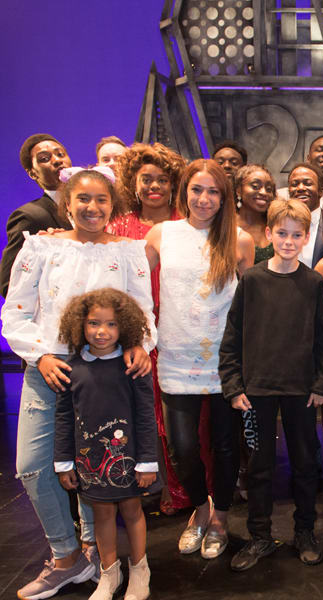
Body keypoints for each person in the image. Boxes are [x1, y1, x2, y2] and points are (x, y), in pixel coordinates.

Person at [1, 166, 155, 600]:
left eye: (101, 199)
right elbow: (14, 311)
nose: (92, 207)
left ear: (112, 204)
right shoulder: (41, 246)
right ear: (66, 202)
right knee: (33, 466)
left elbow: (142, 311)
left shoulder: (129, 251)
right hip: (48, 367)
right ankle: (65, 556)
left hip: (107, 373)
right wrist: (42, 355)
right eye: (82, 198)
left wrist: (140, 344)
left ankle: (96, 555)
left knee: (95, 465)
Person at [144, 159, 254, 561]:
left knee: (225, 446)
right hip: (175, 357)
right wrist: (64, 238)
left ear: (224, 198)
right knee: (182, 448)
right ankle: (200, 507)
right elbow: (126, 274)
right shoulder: (162, 234)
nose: (204, 199)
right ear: (184, 192)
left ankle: (220, 517)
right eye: (197, 190)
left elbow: (249, 303)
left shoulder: (239, 239)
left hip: (225, 361)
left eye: (213, 192)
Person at [219, 198, 323, 571]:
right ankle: (260, 536)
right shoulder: (252, 280)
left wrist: (322, 382)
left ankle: (305, 531)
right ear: (268, 234)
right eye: (282, 233)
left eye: (296, 235)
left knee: (305, 463)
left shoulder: (313, 282)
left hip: (302, 390)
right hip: (257, 392)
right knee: (259, 467)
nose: (288, 241)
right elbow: (233, 336)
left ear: (306, 237)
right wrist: (234, 385)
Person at [54, 289, 158, 600]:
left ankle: (140, 570)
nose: (102, 331)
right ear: (80, 325)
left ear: (124, 325)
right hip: (91, 460)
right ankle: (109, 574)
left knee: (132, 510)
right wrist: (63, 462)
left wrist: (147, 461)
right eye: (94, 323)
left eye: (111, 324)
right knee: (101, 514)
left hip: (129, 457)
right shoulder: (72, 368)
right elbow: (64, 418)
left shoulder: (133, 366)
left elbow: (146, 415)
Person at [107, 142, 188, 515]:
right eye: (146, 179)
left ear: (173, 184)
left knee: (180, 418)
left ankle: (186, 487)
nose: (155, 186)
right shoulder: (118, 226)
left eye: (163, 179)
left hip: (180, 331)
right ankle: (157, 484)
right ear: (132, 183)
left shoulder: (186, 222)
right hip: (134, 333)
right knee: (143, 414)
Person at [1, 134, 72, 297]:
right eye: (44, 158)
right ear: (32, 173)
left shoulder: (95, 210)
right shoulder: (29, 216)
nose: (57, 160)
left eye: (60, 154)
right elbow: (9, 283)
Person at [287, 161, 323, 267]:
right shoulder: (280, 223)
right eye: (295, 184)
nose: (300, 188)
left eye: (308, 183)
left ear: (321, 191)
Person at [233, 164, 277, 263]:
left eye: (269, 189)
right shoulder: (226, 225)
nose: (263, 192)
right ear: (239, 190)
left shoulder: (275, 225)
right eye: (255, 186)